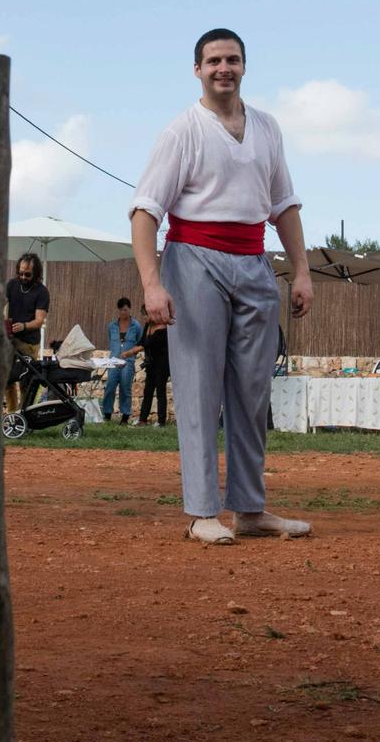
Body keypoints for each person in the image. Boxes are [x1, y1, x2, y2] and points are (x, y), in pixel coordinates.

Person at [130, 27, 313, 545]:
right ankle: (201, 512)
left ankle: (250, 510)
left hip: (255, 262)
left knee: (253, 392)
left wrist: (301, 271)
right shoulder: (181, 132)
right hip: (193, 262)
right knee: (198, 387)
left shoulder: (268, 128)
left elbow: (284, 205)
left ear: (244, 67)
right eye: (213, 61)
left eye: (232, 59)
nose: (223, 68)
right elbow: (146, 212)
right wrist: (152, 284)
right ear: (197, 70)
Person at [5, 253, 49, 412]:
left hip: (29, 343)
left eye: (27, 274)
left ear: (36, 273)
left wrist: (23, 326)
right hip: (9, 340)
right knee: (6, 379)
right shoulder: (11, 285)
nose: (23, 276)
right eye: (20, 273)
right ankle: (11, 416)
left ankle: (25, 414)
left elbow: (39, 321)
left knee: (26, 381)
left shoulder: (42, 292)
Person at [101, 297, 142, 425]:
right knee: (110, 387)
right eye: (121, 310)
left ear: (129, 309)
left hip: (128, 362)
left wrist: (131, 353)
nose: (123, 313)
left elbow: (140, 343)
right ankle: (107, 414)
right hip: (113, 361)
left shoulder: (136, 326)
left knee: (125, 388)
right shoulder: (112, 325)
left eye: (125, 310)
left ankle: (125, 416)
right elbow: (110, 341)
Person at [134, 303, 171, 426]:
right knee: (148, 392)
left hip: (162, 364)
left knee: (160, 392)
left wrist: (129, 352)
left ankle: (161, 421)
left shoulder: (163, 328)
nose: (145, 318)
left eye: (146, 315)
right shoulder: (148, 326)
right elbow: (142, 341)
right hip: (151, 364)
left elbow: (149, 343)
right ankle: (142, 419)